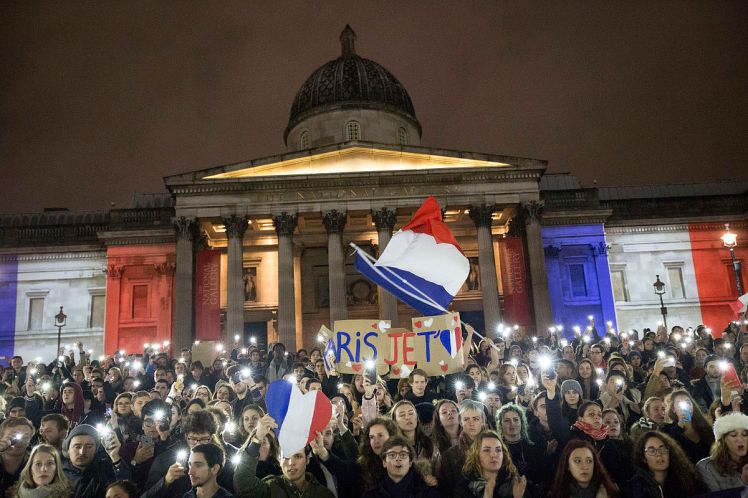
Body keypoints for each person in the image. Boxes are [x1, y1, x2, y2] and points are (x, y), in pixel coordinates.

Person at [232, 413, 334, 498]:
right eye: (285, 457)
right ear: (279, 460)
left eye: (298, 456)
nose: (291, 463)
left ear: (307, 460)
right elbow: (242, 483)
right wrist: (258, 438)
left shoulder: (323, 494)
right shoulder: (271, 488)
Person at [61, 423, 132, 498]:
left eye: (89, 446)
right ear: (68, 449)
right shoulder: (57, 473)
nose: (82, 452)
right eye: (77, 446)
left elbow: (126, 486)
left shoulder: (105, 469)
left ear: (96, 449)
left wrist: (114, 456)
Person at [621, 431, 696, 498]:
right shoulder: (634, 488)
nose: (659, 454)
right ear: (643, 458)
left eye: (662, 449)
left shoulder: (684, 478)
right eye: (652, 450)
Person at [454, 430, 527, 498]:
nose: (494, 454)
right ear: (476, 455)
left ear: (503, 454)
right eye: (487, 450)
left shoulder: (516, 483)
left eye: (498, 450)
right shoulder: (464, 487)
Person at [361, 435, 439, 498]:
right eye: (392, 455)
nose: (398, 459)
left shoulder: (427, 491)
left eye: (403, 455)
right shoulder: (371, 494)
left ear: (410, 462)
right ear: (384, 462)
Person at [695, 412, 748, 492]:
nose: (740, 439)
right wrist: (742, 481)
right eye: (733, 435)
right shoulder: (706, 467)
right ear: (723, 440)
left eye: (745, 434)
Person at [549, 439, 620, 498]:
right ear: (567, 465)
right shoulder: (556, 494)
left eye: (589, 461)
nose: (585, 466)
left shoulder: (611, 492)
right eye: (577, 461)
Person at [5, 443, 72, 498]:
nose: (44, 469)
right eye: (38, 464)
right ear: (30, 469)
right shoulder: (14, 493)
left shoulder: (68, 494)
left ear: (56, 468)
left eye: (49, 463)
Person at [0, 416, 34, 491]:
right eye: (13, 436)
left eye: (25, 437)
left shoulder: (35, 462)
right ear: (1, 437)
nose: (19, 441)